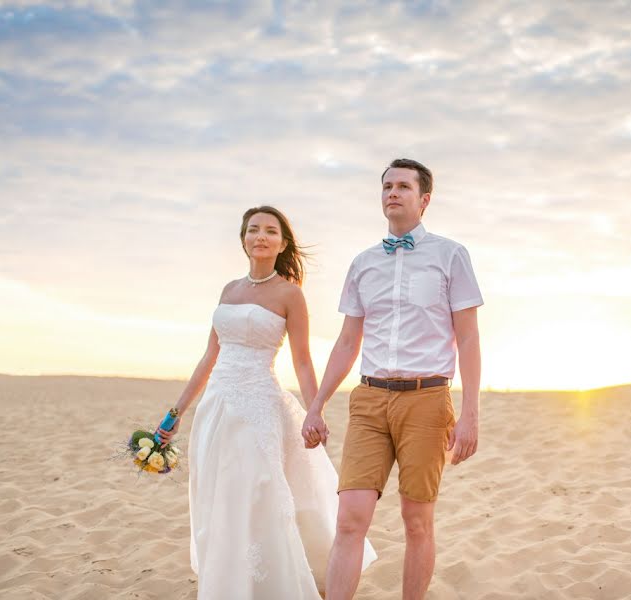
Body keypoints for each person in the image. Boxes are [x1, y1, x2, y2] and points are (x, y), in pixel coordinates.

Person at [156, 206, 376, 599]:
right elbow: (209, 358)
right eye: (253, 229)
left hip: (259, 406)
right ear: (243, 239)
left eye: (270, 231)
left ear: (283, 242)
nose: (260, 236)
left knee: (259, 492)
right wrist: (175, 413)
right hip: (217, 407)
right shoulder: (228, 291)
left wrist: (315, 410)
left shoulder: (290, 294)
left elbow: (303, 360)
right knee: (220, 495)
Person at [301, 158, 483, 600]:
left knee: (416, 519)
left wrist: (471, 414)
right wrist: (317, 404)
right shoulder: (364, 263)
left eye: (403, 186)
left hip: (427, 400)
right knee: (350, 518)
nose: (392, 193)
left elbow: (468, 336)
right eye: (386, 186)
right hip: (368, 401)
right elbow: (347, 341)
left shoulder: (451, 255)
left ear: (424, 199)